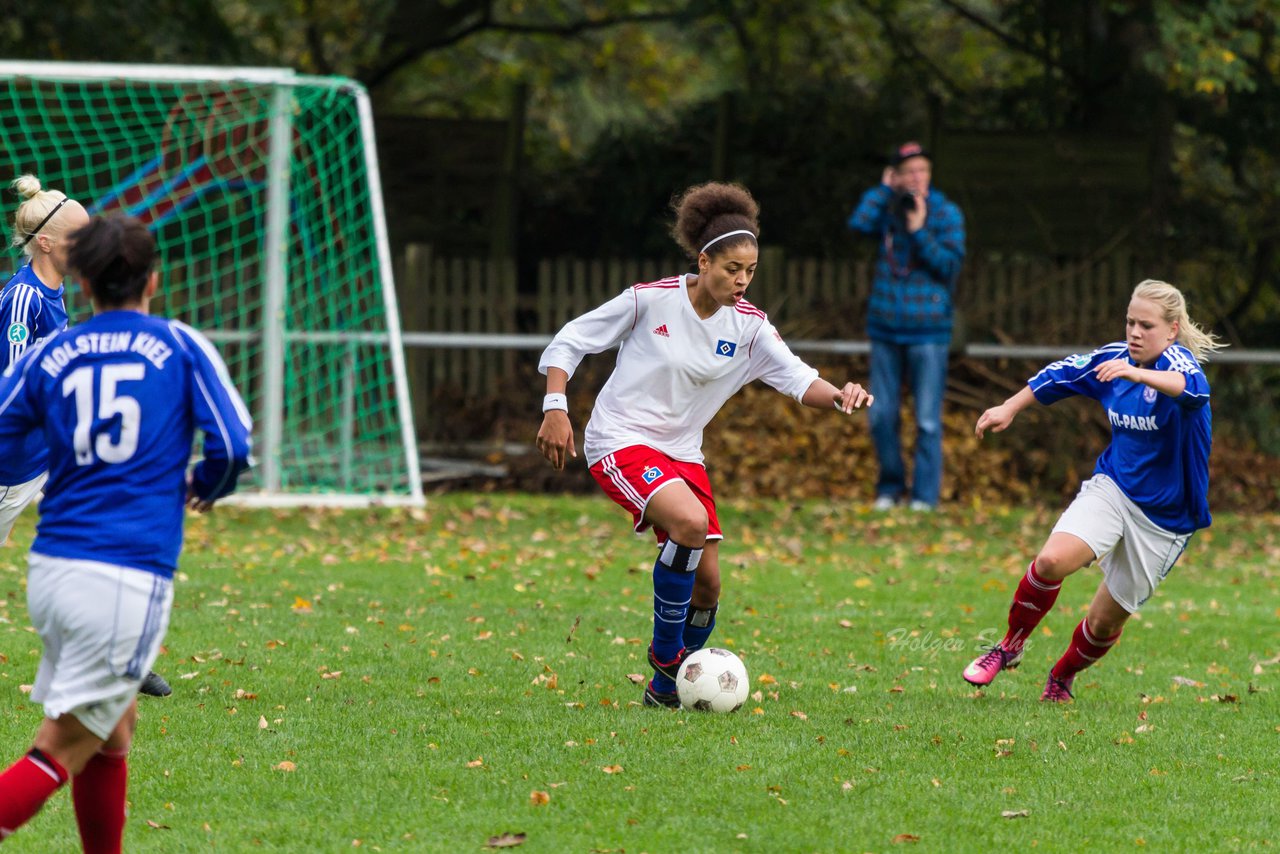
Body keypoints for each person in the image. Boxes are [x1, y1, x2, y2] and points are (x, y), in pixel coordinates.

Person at [536, 182, 874, 708]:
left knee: (710, 585)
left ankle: (665, 690)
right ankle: (668, 655)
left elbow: (798, 378)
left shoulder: (750, 327)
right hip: (620, 440)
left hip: (682, 454)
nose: (741, 281)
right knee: (690, 524)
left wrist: (840, 395)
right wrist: (555, 406)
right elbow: (570, 340)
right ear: (704, 260)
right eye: (731, 269)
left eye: (750, 271)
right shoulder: (649, 301)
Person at [0, 214, 253, 849]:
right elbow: (234, 445)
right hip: (122, 574)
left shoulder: (51, 354)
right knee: (59, 749)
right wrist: (203, 487)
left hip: (53, 570)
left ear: (83, 283)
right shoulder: (180, 345)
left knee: (114, 729)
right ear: (154, 280)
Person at [962, 279, 1223, 702]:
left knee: (1104, 624)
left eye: (1147, 326)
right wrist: (1009, 406)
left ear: (1172, 330)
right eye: (1130, 322)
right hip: (1114, 489)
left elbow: (1194, 390)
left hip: (1166, 520)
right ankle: (1008, 647)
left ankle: (1062, 675)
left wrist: (1138, 374)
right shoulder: (1114, 360)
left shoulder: (1180, 364)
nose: (1135, 333)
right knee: (1050, 560)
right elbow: (1060, 374)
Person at [1, 175, 173, 700]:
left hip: (50, 459)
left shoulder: (58, 293)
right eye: (79, 237)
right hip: (9, 466)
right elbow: (10, 395)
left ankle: (122, 658)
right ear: (48, 244)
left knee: (103, 541)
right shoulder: (21, 299)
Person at [847, 141, 965, 511]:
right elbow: (857, 225)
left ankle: (924, 499)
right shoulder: (887, 208)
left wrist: (918, 230)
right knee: (882, 414)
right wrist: (884, 191)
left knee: (927, 419)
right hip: (885, 329)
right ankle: (889, 489)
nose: (916, 178)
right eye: (908, 172)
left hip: (929, 332)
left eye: (922, 171)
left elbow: (949, 266)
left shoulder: (945, 212)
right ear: (896, 176)